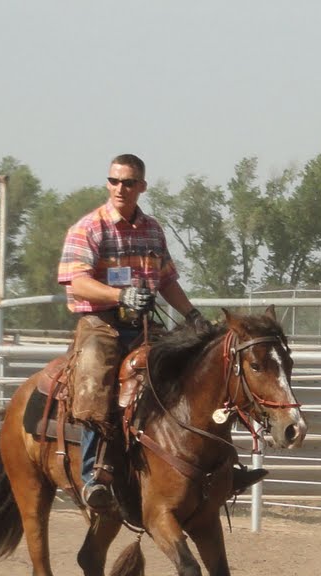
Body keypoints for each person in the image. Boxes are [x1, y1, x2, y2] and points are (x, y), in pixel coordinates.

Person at [58, 153, 208, 513]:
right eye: (113, 181)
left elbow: (167, 280)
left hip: (143, 325)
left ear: (142, 186)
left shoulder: (153, 230)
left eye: (128, 182)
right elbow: (78, 283)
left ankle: (194, 463)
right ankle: (93, 473)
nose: (119, 188)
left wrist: (193, 315)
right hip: (100, 324)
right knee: (97, 375)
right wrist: (120, 295)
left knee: (186, 369)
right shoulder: (89, 228)